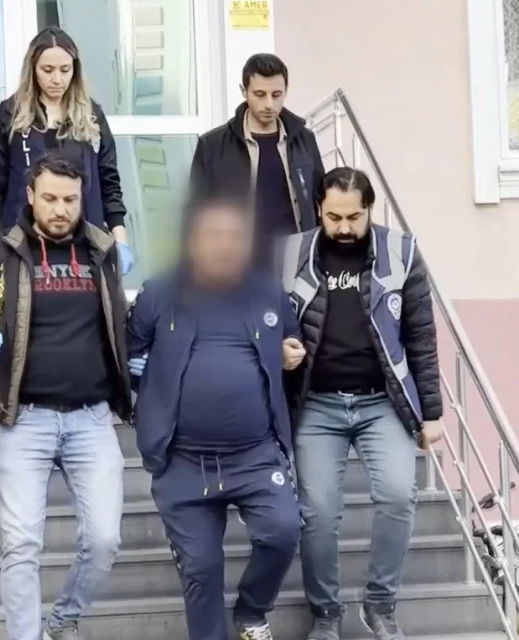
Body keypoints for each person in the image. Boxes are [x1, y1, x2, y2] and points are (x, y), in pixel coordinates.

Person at [0, 154, 132, 640]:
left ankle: (64, 618)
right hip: (21, 419)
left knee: (105, 540)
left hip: (91, 420)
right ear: (30, 196)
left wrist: (134, 358)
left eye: (70, 199)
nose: (60, 209)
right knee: (22, 546)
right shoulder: (0, 253)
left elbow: (119, 322)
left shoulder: (102, 252)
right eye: (49, 198)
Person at [126, 194, 304, 640]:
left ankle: (251, 611)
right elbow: (126, 353)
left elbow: (293, 341)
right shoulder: (159, 293)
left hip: (255, 456)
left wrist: (289, 355)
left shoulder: (267, 291)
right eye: (214, 235)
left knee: (283, 531)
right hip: (183, 462)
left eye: (234, 236)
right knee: (201, 570)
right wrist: (143, 384)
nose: (225, 244)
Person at [279, 167, 444, 640]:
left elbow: (421, 335)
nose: (345, 227)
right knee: (318, 514)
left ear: (370, 208)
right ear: (319, 209)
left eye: (354, 216)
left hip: (381, 404)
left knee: (398, 495)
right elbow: (268, 321)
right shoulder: (289, 254)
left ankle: (380, 605)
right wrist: (279, 349)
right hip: (317, 405)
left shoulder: (401, 252)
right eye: (334, 217)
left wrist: (431, 413)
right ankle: (326, 613)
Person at [0, 26, 135, 279]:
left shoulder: (91, 116)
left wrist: (120, 239)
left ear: (75, 70)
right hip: (23, 245)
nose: (57, 79)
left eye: (65, 70)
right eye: (48, 70)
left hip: (84, 244)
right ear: (33, 69)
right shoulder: (10, 115)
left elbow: (109, 180)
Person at [189, 53, 326, 270]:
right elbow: (197, 212)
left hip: (297, 260)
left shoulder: (304, 140)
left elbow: (321, 199)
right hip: (238, 264)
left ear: (286, 91)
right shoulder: (212, 145)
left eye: (276, 95)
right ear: (244, 91)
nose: (269, 104)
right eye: (260, 94)